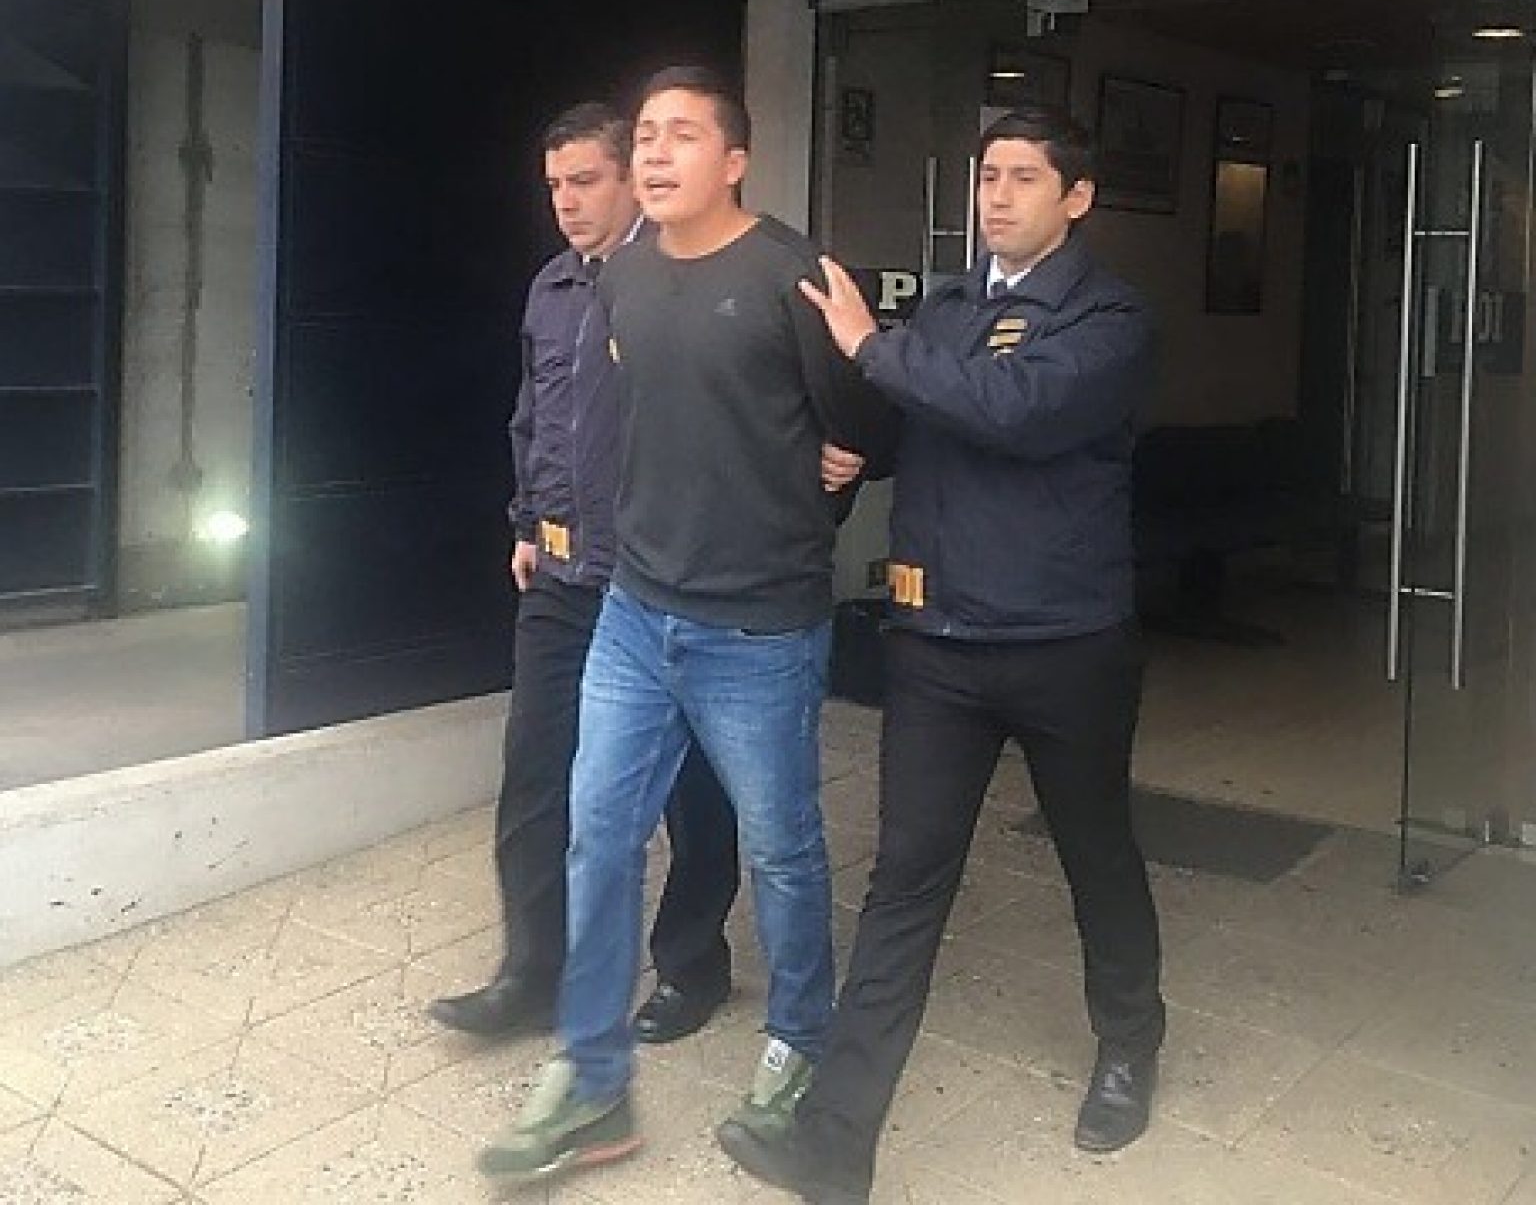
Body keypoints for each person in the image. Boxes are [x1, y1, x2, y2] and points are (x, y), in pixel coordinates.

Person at [721, 105, 1165, 1204]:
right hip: (938, 647)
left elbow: (1014, 412)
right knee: (904, 884)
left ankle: (1129, 1043)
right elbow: (915, 417)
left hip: (1066, 644)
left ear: (1077, 197)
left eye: (1023, 177)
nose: (996, 195)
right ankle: (835, 1144)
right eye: (987, 175)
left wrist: (872, 347)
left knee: (1095, 854)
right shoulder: (952, 306)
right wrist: (853, 447)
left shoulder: (1111, 318)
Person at [476, 67, 891, 1187]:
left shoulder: (792, 274)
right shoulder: (623, 280)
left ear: (736, 161)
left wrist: (844, 459)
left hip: (758, 626)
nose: (656, 155)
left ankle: (799, 1048)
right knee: (598, 833)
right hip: (635, 609)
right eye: (647, 135)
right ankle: (591, 1080)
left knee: (783, 848)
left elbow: (868, 423)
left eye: (682, 136)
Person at [428, 101, 739, 1046]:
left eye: (586, 181)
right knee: (536, 773)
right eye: (555, 186)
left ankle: (692, 967)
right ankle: (533, 973)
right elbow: (536, 415)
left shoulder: (676, 280)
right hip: (562, 576)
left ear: (630, 180)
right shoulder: (553, 286)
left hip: (658, 578)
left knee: (688, 783)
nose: (567, 201)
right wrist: (529, 520)